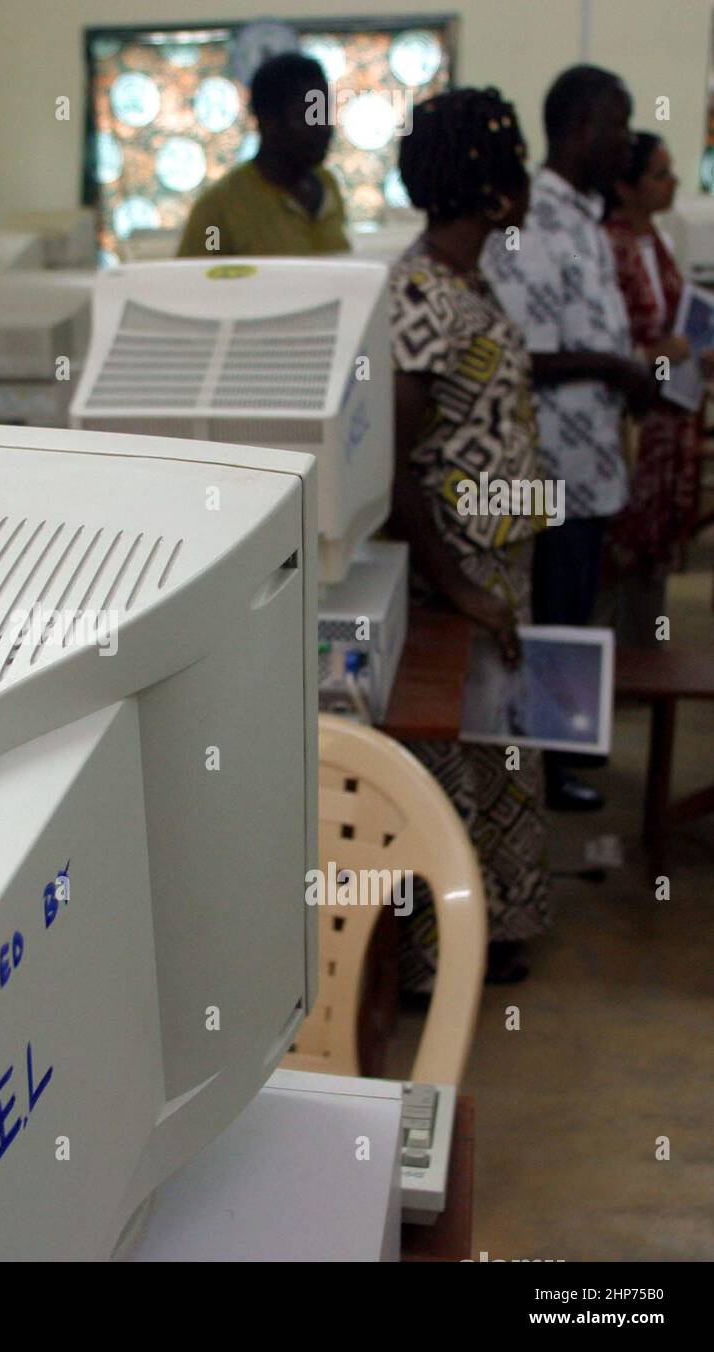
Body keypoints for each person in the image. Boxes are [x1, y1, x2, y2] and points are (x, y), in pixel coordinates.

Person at [389, 87, 549, 988]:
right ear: (492, 190)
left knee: (499, 749)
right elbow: (394, 460)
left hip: (498, 558)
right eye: (514, 163)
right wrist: (457, 587)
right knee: (457, 757)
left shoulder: (466, 282)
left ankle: (494, 930)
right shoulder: (420, 294)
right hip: (457, 570)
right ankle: (436, 959)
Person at [482, 65, 656, 813]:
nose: (627, 141)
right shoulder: (528, 222)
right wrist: (617, 365)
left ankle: (561, 761)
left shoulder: (584, 216)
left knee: (573, 617)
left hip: (589, 464)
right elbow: (523, 352)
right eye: (618, 124)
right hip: (547, 463)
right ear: (581, 125)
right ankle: (542, 773)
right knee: (549, 618)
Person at [601, 133, 706, 645]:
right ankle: (617, 664)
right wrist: (653, 355)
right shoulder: (607, 243)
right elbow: (606, 341)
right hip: (630, 416)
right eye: (661, 174)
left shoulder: (657, 242)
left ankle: (645, 648)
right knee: (620, 543)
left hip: (669, 412)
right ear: (626, 186)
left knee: (655, 544)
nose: (673, 183)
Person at [176, 52, 349, 258]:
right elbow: (194, 284)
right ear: (269, 122)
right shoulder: (218, 209)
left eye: (324, 114)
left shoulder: (326, 185)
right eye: (308, 117)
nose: (324, 128)